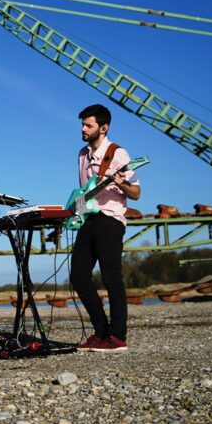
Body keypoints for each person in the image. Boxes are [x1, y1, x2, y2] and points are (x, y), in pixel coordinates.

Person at [70, 104, 140, 352]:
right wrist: (74, 210)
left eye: (88, 125)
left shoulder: (118, 154)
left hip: (110, 221)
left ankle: (118, 337)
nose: (83, 129)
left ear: (104, 127)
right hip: (88, 220)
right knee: (78, 277)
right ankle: (101, 333)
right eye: (82, 124)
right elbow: (84, 191)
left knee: (112, 278)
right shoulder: (81, 154)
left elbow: (136, 193)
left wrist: (121, 184)